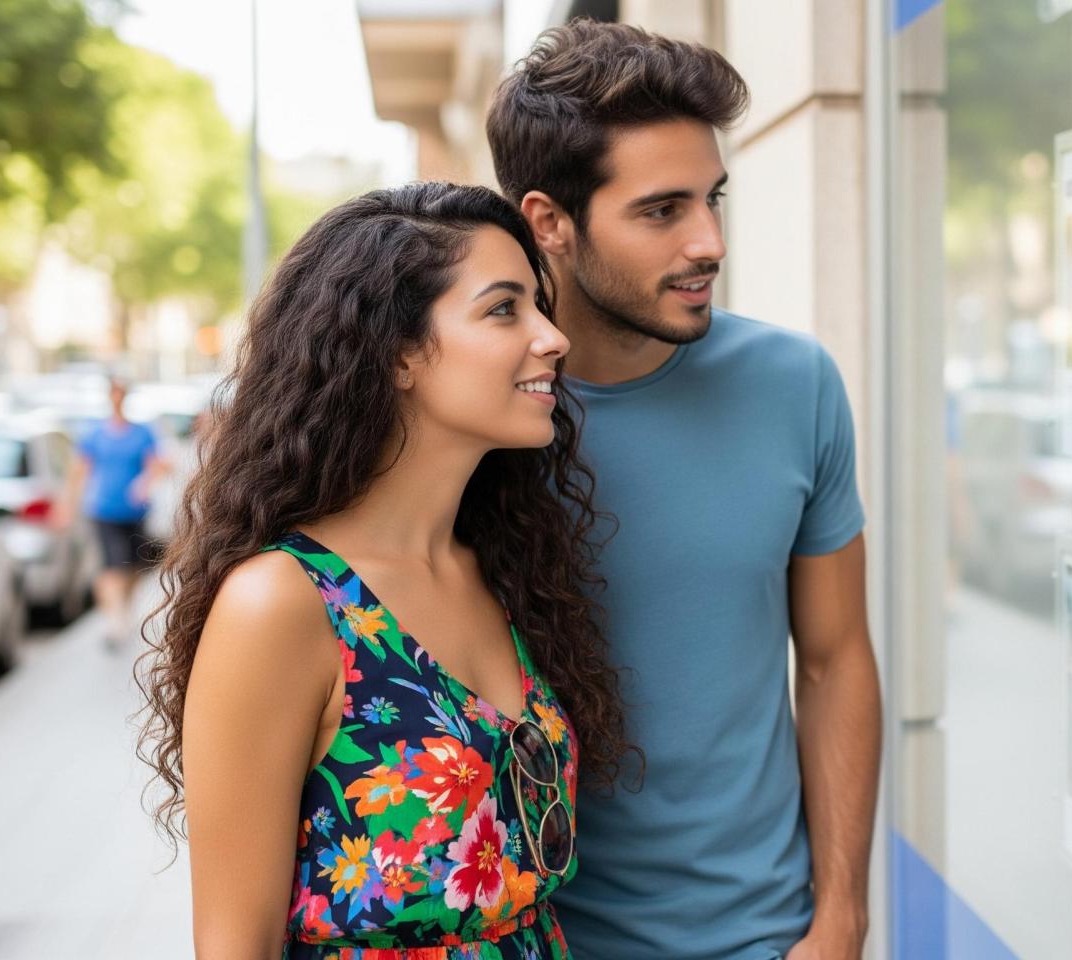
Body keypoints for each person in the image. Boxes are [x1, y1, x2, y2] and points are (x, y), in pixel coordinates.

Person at [136, 182, 634, 958]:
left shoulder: (504, 572)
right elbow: (236, 944)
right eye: (505, 309)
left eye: (539, 305)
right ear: (397, 355)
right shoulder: (282, 603)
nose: (552, 336)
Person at [487, 21, 883, 960]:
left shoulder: (796, 384)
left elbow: (833, 660)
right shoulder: (483, 417)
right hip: (539, 939)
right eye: (662, 210)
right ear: (550, 221)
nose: (709, 241)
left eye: (713, 199)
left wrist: (842, 920)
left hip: (767, 936)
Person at [57, 377, 165, 646]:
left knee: (134, 567)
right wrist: (67, 505)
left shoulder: (142, 433)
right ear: (109, 397)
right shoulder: (95, 434)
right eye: (114, 393)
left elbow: (157, 465)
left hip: (135, 511)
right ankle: (114, 621)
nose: (118, 398)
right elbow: (78, 471)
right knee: (112, 566)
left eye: (121, 393)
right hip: (103, 510)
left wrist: (144, 483)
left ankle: (122, 612)